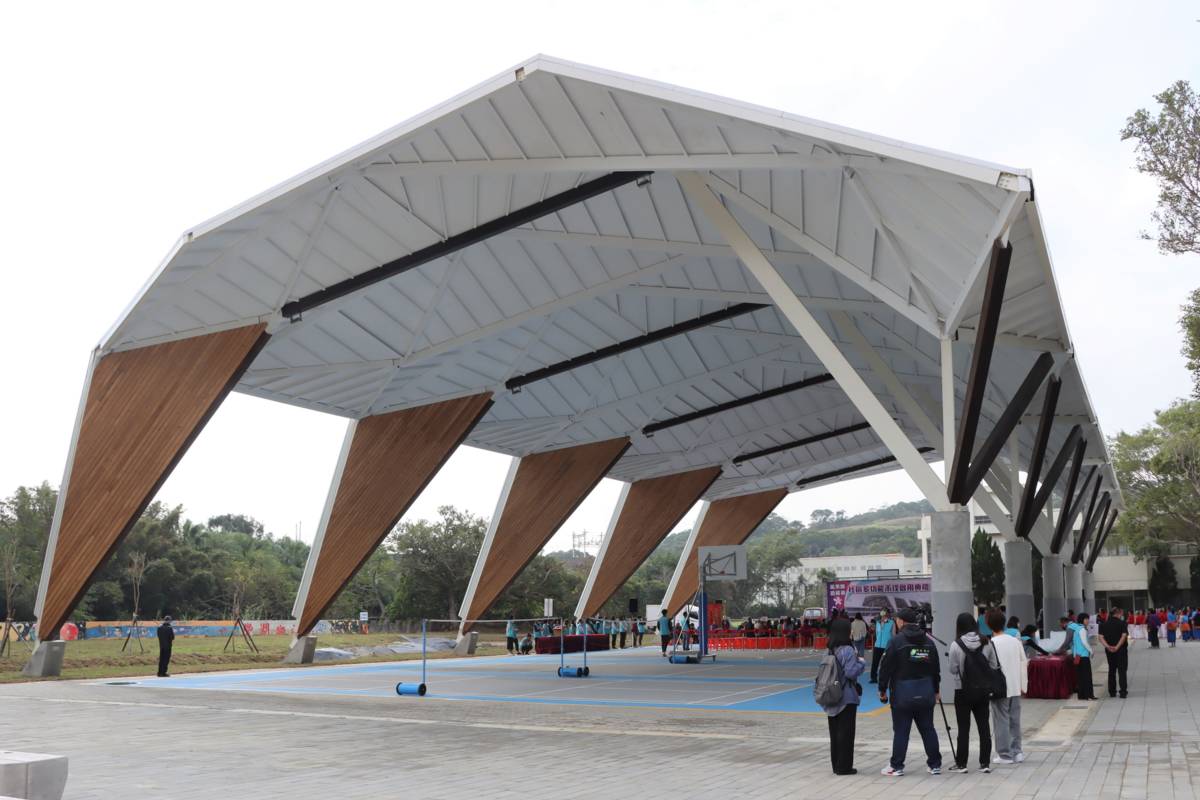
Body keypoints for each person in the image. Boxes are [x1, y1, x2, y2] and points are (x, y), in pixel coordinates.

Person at [877, 607, 942, 777]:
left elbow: (885, 668)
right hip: (926, 692)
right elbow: (936, 669)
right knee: (928, 729)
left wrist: (882, 689)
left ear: (901, 621)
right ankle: (935, 764)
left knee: (901, 731)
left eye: (897, 620)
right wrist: (936, 690)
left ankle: (896, 766)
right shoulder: (929, 642)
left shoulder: (896, 641)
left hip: (902, 694)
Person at [820, 617, 866, 776]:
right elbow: (851, 672)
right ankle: (844, 766)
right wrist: (861, 663)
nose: (852, 631)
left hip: (831, 694)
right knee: (846, 733)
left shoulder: (828, 650)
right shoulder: (847, 650)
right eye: (850, 628)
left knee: (835, 733)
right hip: (846, 695)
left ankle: (836, 764)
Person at [947, 612, 992, 774]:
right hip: (983, 690)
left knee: (963, 728)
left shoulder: (956, 644)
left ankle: (962, 763)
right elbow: (993, 665)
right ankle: (985, 763)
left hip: (962, 691)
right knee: (984, 727)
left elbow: (952, 669)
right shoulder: (986, 641)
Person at [985, 609, 1028, 765]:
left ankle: (1004, 754)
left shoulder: (991, 643)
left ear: (989, 625)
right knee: (1015, 720)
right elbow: (1024, 662)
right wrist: (1024, 685)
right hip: (1015, 685)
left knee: (1001, 720)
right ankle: (1017, 751)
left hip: (999, 689)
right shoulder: (1015, 641)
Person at [1100, 606, 1130, 698]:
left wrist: (1108, 646)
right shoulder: (1122, 623)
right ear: (1117, 614)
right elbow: (1124, 635)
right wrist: (1117, 646)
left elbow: (1100, 637)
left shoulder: (1103, 624)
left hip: (1109, 651)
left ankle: (1112, 692)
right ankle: (1123, 692)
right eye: (1120, 613)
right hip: (1121, 650)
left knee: (1111, 670)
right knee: (1122, 671)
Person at [1070, 613, 1097, 700]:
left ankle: (1081, 695)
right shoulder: (1082, 630)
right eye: (1086, 619)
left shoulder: (1077, 629)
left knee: (1080, 677)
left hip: (1077, 656)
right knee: (1087, 676)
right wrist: (1091, 651)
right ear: (1082, 620)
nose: (1088, 621)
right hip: (1083, 656)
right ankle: (1089, 695)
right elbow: (1085, 642)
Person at [869, 609, 894, 684]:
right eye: (882, 614)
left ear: (887, 614)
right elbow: (876, 633)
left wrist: (893, 644)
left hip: (886, 646)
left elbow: (893, 634)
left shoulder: (892, 623)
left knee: (887, 663)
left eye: (884, 613)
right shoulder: (877, 623)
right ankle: (873, 678)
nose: (883, 615)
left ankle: (887, 678)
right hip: (877, 645)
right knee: (875, 662)